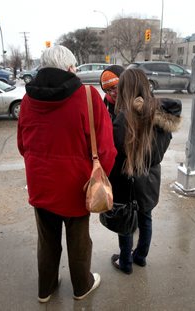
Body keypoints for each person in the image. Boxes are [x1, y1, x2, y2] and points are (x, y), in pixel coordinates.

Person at [17, 45, 117, 302]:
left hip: (41, 183)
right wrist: (99, 176)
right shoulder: (88, 96)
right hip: (78, 185)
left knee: (47, 241)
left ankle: (46, 289)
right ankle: (81, 286)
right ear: (71, 68)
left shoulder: (28, 99)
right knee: (79, 241)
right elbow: (106, 149)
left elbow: (22, 144)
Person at [108, 68, 182, 274]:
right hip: (150, 178)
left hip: (127, 180)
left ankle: (125, 262)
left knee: (126, 221)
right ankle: (140, 257)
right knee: (145, 217)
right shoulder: (161, 116)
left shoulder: (124, 118)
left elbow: (116, 152)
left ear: (125, 89)